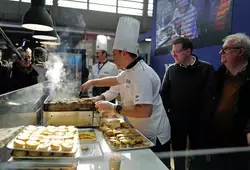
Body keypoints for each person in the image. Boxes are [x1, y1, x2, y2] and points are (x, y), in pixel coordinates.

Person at [81, 16, 171, 159]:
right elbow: (115, 80)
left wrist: (113, 108)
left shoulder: (142, 74)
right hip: (139, 131)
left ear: (124, 52)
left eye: (115, 53)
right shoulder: (129, 70)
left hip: (153, 136)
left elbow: (145, 111)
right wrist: (92, 82)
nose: (113, 57)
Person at [160, 37, 214, 170]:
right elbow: (164, 95)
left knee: (199, 155)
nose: (173, 55)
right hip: (178, 121)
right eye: (172, 52)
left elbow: (212, 97)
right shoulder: (171, 70)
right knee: (178, 154)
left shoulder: (206, 69)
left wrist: (206, 118)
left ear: (188, 51)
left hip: (199, 123)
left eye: (176, 52)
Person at [201, 33, 250, 170]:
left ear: (240, 51)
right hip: (215, 143)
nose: (220, 52)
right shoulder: (216, 77)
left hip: (240, 146)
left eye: (225, 49)